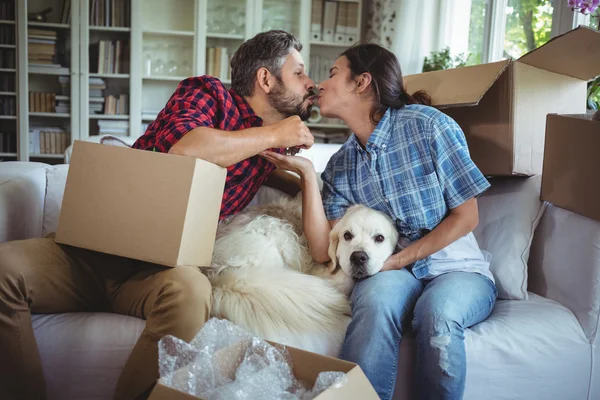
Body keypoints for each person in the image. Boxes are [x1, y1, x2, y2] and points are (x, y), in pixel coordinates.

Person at [0, 30, 316, 400]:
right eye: (299, 73)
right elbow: (186, 150)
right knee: (5, 267)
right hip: (93, 250)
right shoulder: (207, 92)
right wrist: (274, 135)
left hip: (158, 273)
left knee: (192, 291)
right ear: (266, 79)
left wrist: (305, 175)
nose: (310, 83)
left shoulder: (271, 141)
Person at [261, 43, 497, 400]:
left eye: (333, 73)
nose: (319, 85)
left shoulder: (429, 127)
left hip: (456, 269)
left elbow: (467, 216)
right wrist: (309, 176)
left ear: (362, 82)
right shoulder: (342, 166)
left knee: (438, 315)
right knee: (373, 303)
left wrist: (400, 259)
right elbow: (325, 250)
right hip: (391, 274)